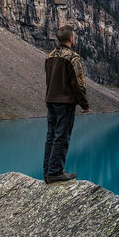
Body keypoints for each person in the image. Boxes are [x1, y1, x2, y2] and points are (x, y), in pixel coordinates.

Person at [43, 24, 89, 184]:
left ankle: (48, 171)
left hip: (51, 100)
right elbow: (78, 83)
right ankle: (55, 172)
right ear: (70, 38)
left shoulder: (50, 56)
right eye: (74, 36)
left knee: (51, 136)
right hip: (65, 102)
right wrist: (84, 104)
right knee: (62, 136)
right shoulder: (72, 57)